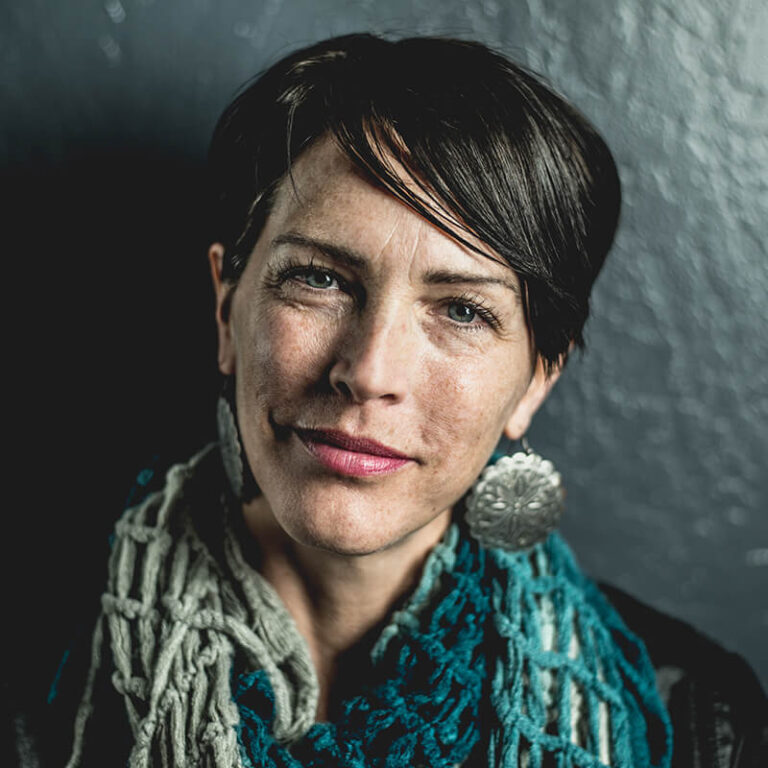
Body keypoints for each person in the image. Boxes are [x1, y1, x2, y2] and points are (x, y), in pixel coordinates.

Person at [11, 32, 767, 767]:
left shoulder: (699, 723)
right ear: (225, 309)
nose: (370, 372)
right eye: (319, 279)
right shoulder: (30, 673)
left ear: (537, 379)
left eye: (462, 311)